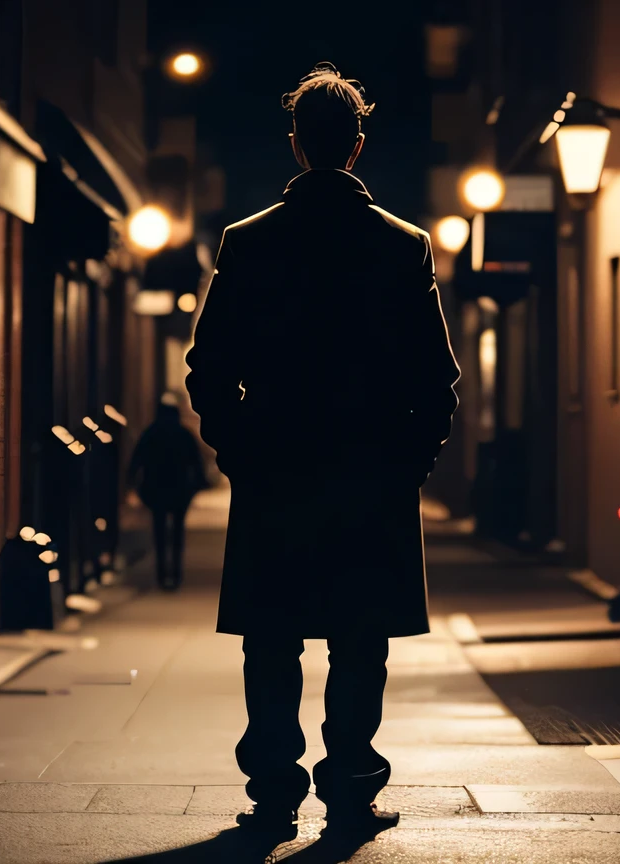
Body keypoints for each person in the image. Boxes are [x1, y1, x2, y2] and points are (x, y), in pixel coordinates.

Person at [184, 63, 459, 860]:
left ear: (297, 143)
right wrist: (411, 459)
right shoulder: (402, 245)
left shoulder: (249, 241)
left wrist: (237, 446)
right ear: (359, 144)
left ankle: (273, 794)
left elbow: (208, 365)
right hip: (370, 475)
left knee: (271, 640)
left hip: (275, 472)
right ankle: (350, 789)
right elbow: (434, 376)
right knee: (358, 640)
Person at [127, 399, 207, 591]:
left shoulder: (151, 433)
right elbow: (196, 463)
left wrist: (133, 484)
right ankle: (176, 573)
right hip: (179, 489)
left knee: (160, 531)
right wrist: (197, 484)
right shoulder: (183, 434)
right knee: (177, 531)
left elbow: (136, 460)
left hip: (157, 489)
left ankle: (163, 573)